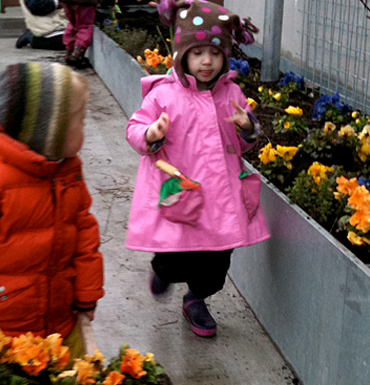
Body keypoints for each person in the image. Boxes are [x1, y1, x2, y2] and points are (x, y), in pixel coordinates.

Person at [0, 62, 104, 383]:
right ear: (49, 132)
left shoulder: (67, 174)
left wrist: (87, 293)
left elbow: (84, 233)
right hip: (2, 334)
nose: (86, 125)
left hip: (62, 322)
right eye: (80, 119)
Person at [125, 0, 268, 338]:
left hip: (220, 198)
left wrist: (247, 127)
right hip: (180, 194)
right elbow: (135, 128)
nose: (207, 61)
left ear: (225, 58)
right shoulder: (165, 95)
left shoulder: (231, 92)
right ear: (182, 55)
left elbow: (245, 142)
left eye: (215, 54)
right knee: (174, 260)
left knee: (215, 269)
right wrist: (151, 134)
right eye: (198, 52)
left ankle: (196, 299)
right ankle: (162, 271)